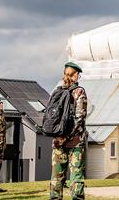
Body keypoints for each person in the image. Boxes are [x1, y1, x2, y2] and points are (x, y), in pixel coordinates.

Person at [50, 62, 88, 200]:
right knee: (76, 176)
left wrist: (59, 137)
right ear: (76, 75)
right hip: (75, 142)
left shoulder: (57, 91)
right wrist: (68, 137)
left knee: (56, 177)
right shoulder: (79, 92)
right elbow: (80, 118)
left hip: (57, 142)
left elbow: (51, 117)